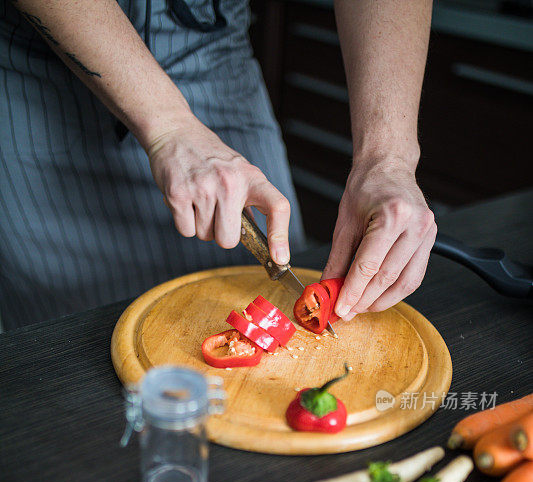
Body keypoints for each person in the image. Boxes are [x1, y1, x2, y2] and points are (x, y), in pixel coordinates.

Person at [0, 1, 436, 331]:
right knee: (68, 344)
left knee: (273, 274)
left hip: (212, 54)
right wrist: (169, 125)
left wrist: (388, 159)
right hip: (42, 73)